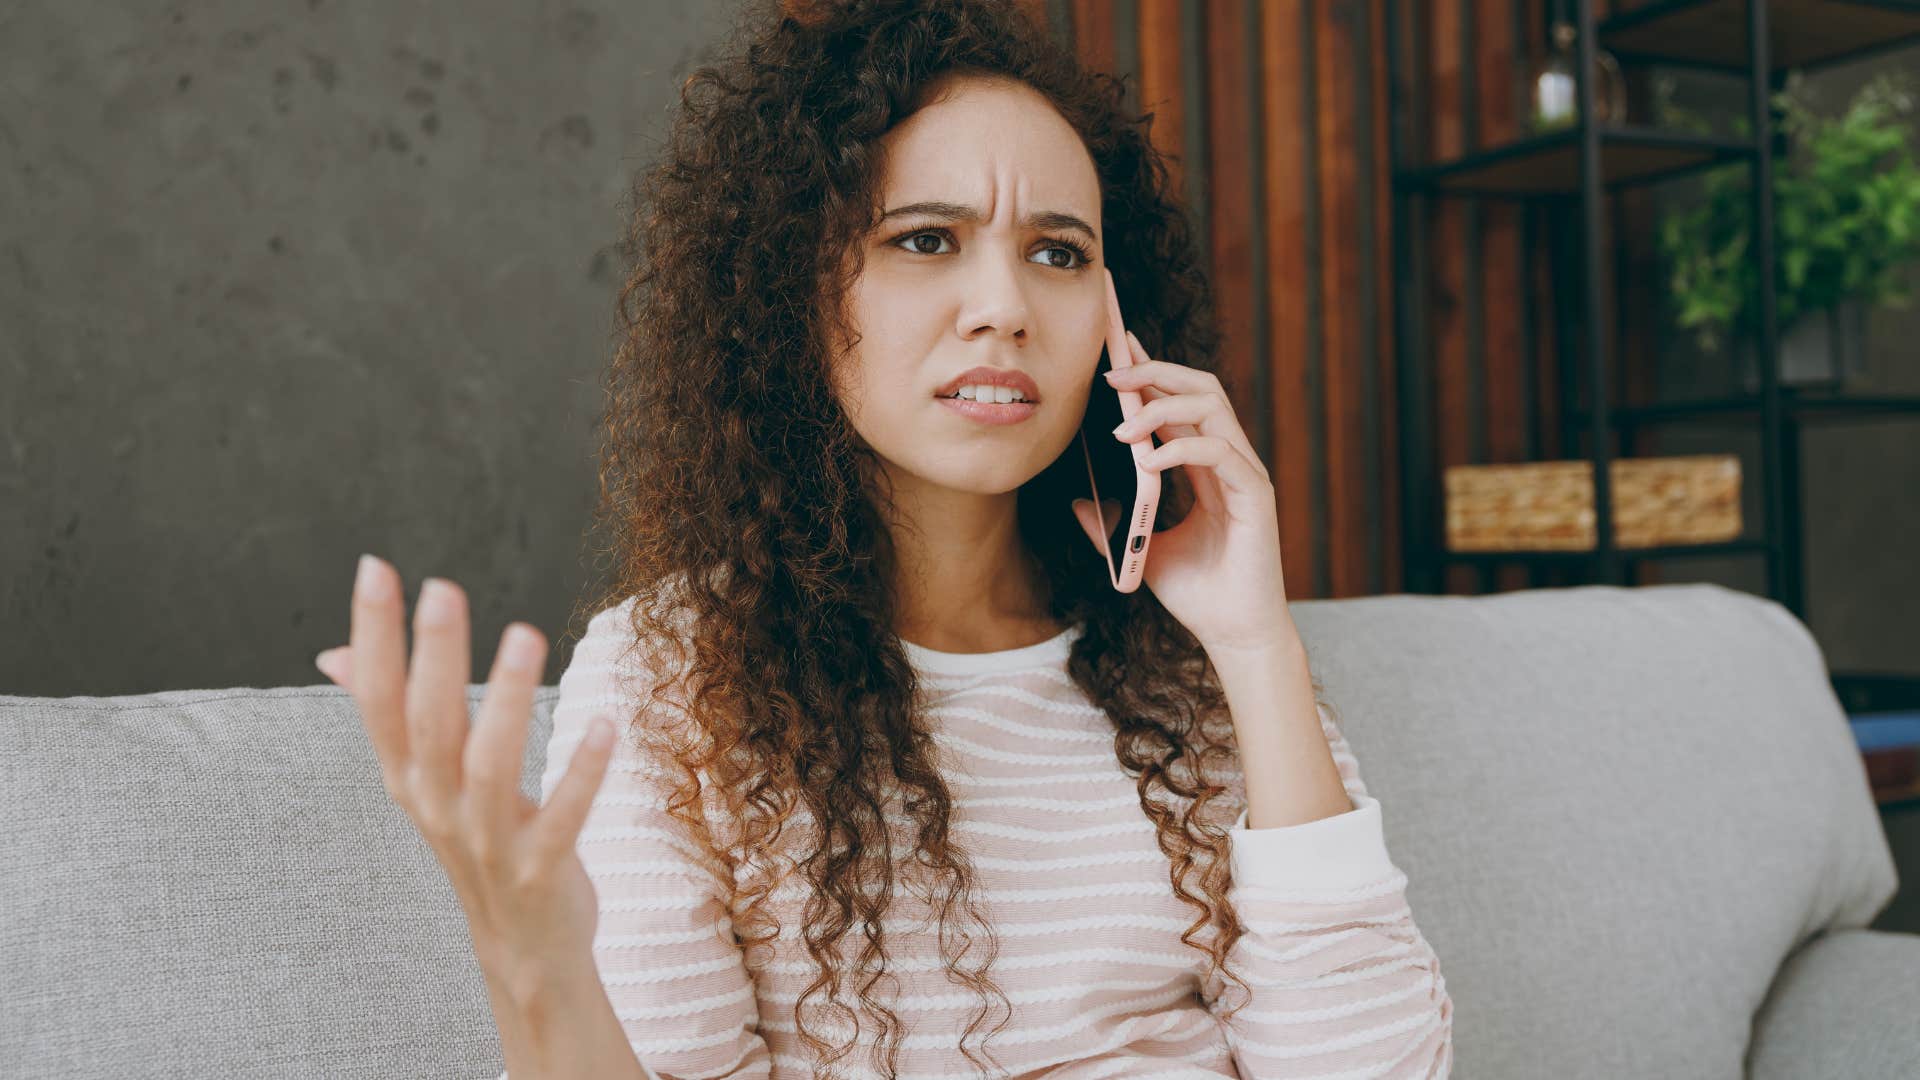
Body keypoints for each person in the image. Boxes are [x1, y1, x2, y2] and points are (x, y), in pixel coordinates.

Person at [315, 1, 1454, 1077]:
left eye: (1059, 253)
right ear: (794, 290)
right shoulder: (673, 674)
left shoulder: (1189, 662)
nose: (1004, 303)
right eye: (925, 240)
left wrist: (1256, 647)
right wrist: (538, 960)